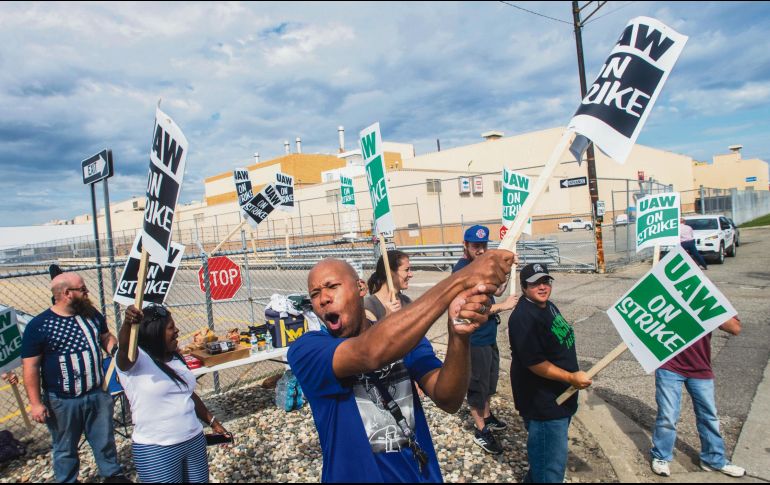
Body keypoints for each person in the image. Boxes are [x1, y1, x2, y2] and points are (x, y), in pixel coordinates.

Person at [288, 250, 515, 482]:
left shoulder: (401, 336)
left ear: (360, 288)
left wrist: (459, 336)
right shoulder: (307, 350)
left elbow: (448, 398)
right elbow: (369, 352)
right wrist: (460, 280)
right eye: (315, 294)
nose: (323, 298)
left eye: (332, 286)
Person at [20, 273, 128, 483]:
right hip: (62, 400)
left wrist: (115, 349)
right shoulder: (40, 326)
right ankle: (67, 479)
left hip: (96, 392)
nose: (87, 292)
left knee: (104, 439)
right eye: (82, 289)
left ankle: (112, 474)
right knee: (65, 446)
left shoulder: (91, 315)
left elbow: (105, 336)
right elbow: (31, 366)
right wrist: (35, 403)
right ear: (67, 293)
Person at [116, 304, 231, 483]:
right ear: (155, 332)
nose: (177, 331)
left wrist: (213, 422)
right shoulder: (135, 361)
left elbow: (187, 393)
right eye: (170, 327)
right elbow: (124, 349)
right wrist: (128, 324)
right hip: (158, 450)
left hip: (194, 441)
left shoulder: (174, 356)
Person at [508, 263, 592, 483]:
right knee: (550, 471)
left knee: (544, 463)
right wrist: (571, 377)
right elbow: (535, 363)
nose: (543, 287)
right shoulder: (523, 317)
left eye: (546, 281)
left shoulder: (548, 305)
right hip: (544, 404)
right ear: (524, 287)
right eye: (536, 283)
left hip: (561, 397)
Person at [650, 316, 745, 478]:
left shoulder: (706, 295)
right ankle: (661, 456)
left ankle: (713, 459)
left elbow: (734, 328)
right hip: (668, 365)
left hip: (700, 366)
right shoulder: (664, 290)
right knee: (668, 415)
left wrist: (710, 309)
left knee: (709, 416)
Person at [452, 225, 518, 455]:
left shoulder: (482, 266)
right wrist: (503, 307)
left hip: (488, 334)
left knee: (489, 380)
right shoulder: (462, 271)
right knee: (477, 384)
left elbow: (496, 291)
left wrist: (507, 271)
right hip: (475, 338)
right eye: (476, 246)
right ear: (466, 246)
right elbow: (472, 309)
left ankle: (487, 416)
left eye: (483, 246)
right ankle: (481, 429)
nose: (480, 251)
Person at [364, 250, 413, 321]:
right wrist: (387, 318)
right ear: (390, 273)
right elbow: (371, 332)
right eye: (406, 270)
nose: (411, 275)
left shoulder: (407, 301)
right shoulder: (369, 307)